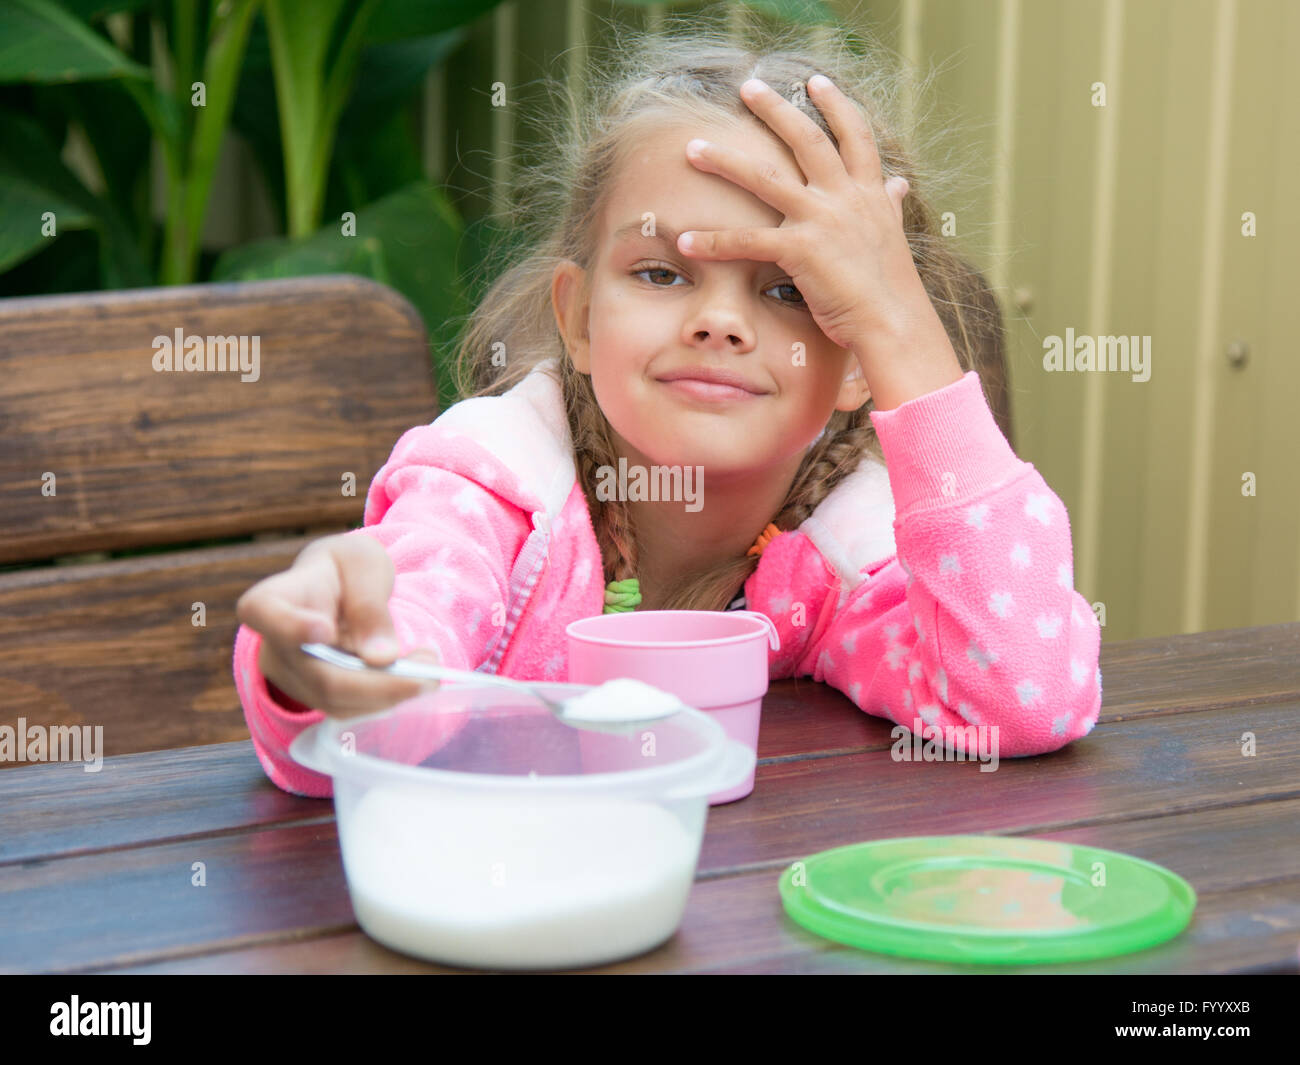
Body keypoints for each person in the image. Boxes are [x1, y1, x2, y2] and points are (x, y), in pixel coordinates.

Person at [234, 27, 1101, 798]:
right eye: (660, 273)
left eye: (790, 290)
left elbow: (1019, 696)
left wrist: (900, 326)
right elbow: (377, 689)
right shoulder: (492, 495)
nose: (719, 320)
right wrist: (339, 656)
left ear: (856, 365)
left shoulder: (836, 559)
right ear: (576, 317)